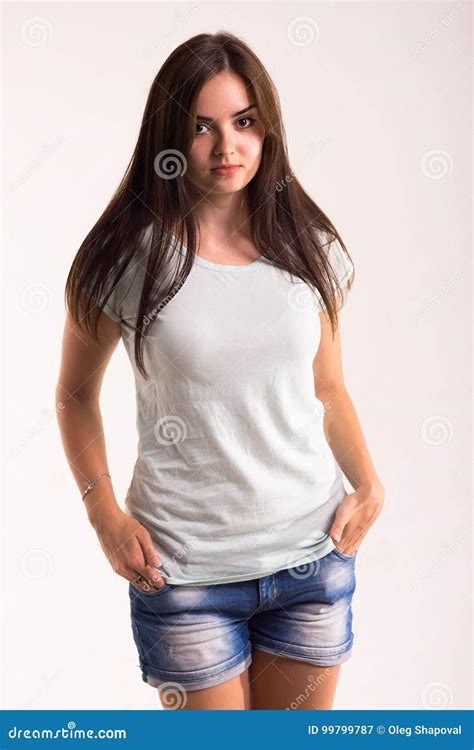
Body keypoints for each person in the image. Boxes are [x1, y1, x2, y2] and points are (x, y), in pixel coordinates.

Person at [56, 31, 384, 711]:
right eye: (200, 127)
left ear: (267, 129)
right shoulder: (125, 258)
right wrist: (104, 516)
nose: (225, 147)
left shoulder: (311, 251)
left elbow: (328, 389)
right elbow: (75, 394)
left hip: (311, 559)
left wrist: (370, 484)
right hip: (184, 575)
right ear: (168, 138)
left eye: (243, 122)